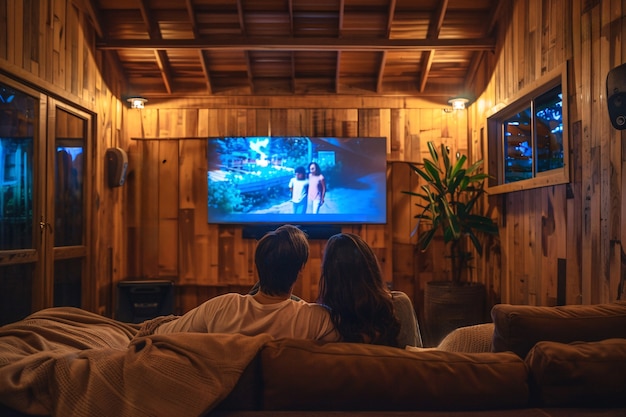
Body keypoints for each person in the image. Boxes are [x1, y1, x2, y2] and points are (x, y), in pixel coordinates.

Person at [154, 224, 338, 341]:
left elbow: (161, 334)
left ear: (257, 265)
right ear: (300, 269)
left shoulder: (222, 307)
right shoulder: (316, 319)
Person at [317, 232, 423, 348]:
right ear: (371, 267)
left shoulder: (324, 318)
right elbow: (415, 357)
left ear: (329, 276)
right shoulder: (398, 305)